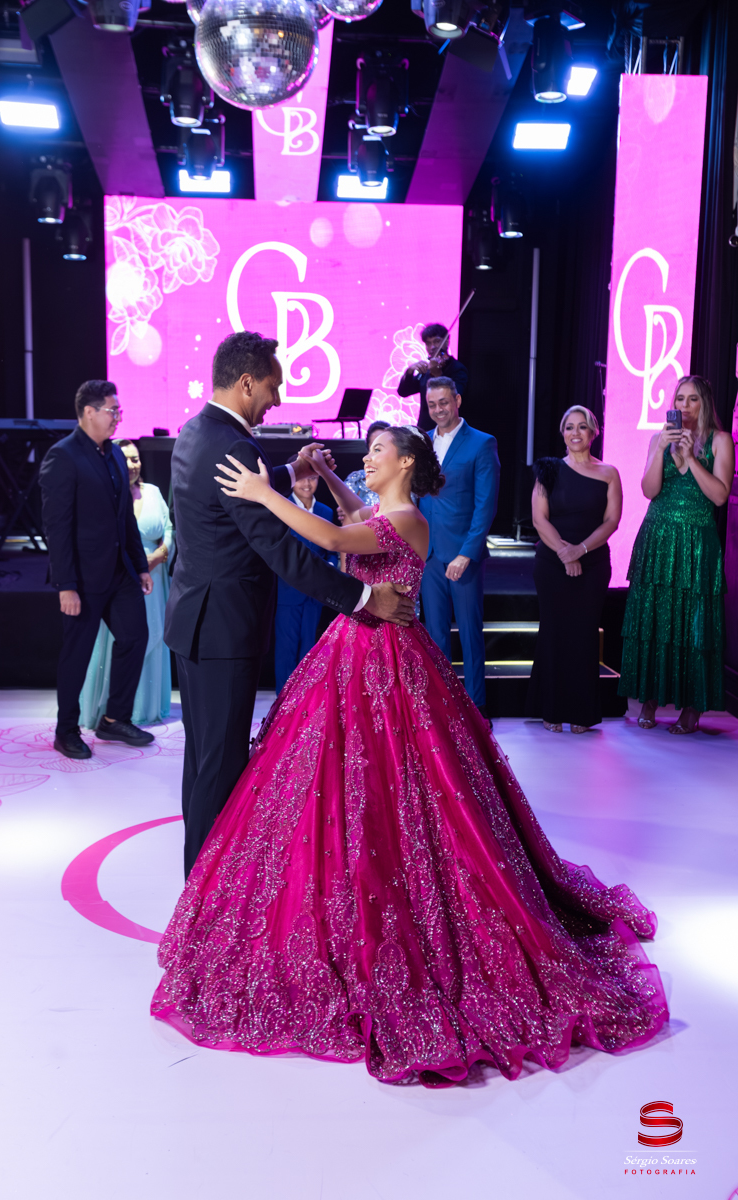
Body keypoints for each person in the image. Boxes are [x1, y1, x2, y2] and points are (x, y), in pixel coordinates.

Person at [151, 424, 668, 1088]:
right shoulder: (385, 513)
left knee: (398, 789)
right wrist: (326, 478)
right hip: (350, 654)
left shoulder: (408, 522)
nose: (366, 458)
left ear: (404, 463)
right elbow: (352, 517)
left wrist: (263, 493)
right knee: (336, 783)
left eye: (376, 451)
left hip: (386, 662)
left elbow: (335, 539)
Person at [164, 331, 416, 877]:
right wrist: (364, 598)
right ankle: (205, 897)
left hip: (194, 621)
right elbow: (281, 550)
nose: (276, 401)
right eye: (273, 387)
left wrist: (287, 474)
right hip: (224, 628)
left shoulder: (195, 431)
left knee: (202, 762)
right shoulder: (236, 447)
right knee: (219, 770)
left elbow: (222, 498)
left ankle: (197, 887)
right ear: (246, 382)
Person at [39, 381, 155, 761]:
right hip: (83, 578)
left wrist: (139, 565)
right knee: (77, 654)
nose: (117, 417)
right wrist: (66, 585)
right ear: (89, 412)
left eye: (118, 411)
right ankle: (66, 730)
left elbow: (124, 518)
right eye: (112, 411)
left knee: (135, 637)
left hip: (120, 571)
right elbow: (57, 527)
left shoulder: (116, 454)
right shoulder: (63, 456)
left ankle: (114, 719)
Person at [619, 375, 734, 734]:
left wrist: (690, 459)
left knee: (693, 622)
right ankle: (650, 697)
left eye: (692, 399)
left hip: (697, 542)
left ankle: (692, 706)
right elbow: (649, 490)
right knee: (656, 618)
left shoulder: (720, 440)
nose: (684, 406)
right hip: (658, 538)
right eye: (679, 399)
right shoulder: (659, 439)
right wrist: (660, 451)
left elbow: (719, 496)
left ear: (705, 404)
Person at [527, 407, 622, 733]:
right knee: (554, 632)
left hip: (593, 563)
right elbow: (539, 519)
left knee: (583, 634)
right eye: (569, 427)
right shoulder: (549, 469)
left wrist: (580, 550)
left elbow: (612, 521)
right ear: (562, 433)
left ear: (594, 432)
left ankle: (581, 711)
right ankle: (551, 708)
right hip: (552, 563)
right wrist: (565, 554)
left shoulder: (609, 472)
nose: (576, 433)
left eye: (582, 427)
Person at [418, 377, 500, 724]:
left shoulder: (481, 443)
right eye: (432, 404)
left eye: (443, 402)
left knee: (469, 632)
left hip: (462, 554)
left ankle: (477, 707)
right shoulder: (422, 442)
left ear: (457, 401)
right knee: (434, 635)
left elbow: (486, 505)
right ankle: (443, 709)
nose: (438, 410)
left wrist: (467, 553)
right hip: (428, 553)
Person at [79, 440, 174, 728]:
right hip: (119, 578)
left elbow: (169, 529)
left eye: (136, 459)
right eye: (127, 459)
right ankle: (114, 712)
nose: (133, 465)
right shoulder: (104, 492)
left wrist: (160, 554)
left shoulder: (153, 492)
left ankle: (147, 707)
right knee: (118, 642)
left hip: (153, 577)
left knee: (152, 635)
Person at [274, 459, 338, 694]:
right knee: (286, 651)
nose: (307, 483)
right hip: (288, 591)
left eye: (312, 478)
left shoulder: (325, 512)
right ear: (292, 479)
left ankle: (306, 704)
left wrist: (329, 566)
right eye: (301, 478)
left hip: (315, 593)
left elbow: (331, 550)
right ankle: (283, 705)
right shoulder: (281, 507)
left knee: (310, 650)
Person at [397, 322, 469, 431]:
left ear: (447, 340)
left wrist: (438, 374)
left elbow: (453, 398)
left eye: (437, 341)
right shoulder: (427, 370)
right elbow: (403, 392)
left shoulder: (457, 369)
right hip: (425, 430)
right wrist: (409, 372)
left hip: (448, 430)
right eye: (428, 343)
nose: (432, 347)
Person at [342, 420, 390, 509]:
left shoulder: (402, 480)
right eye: (375, 449)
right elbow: (345, 512)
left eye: (381, 448)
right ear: (368, 451)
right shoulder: (356, 480)